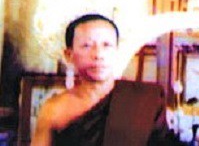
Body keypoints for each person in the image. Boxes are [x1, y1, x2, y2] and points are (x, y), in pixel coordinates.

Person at [32, 13, 179, 146]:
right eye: (87, 46)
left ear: (117, 52)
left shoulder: (145, 99)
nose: (98, 54)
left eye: (106, 45)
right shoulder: (54, 109)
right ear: (69, 55)